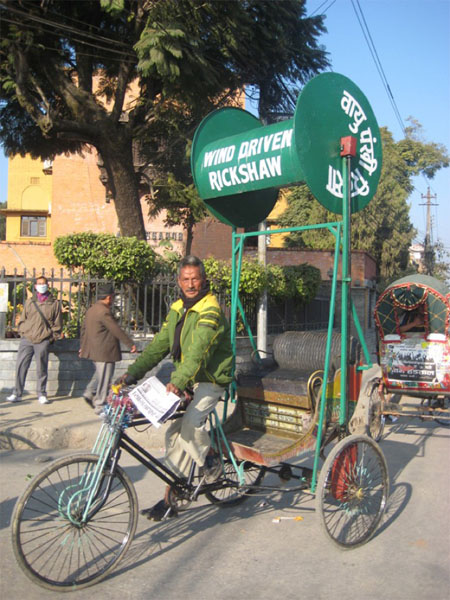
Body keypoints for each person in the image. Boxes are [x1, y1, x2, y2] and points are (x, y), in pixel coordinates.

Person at [121, 255, 233, 521]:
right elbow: (160, 345)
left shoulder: (210, 310)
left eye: (196, 279)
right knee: (173, 434)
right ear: (179, 281)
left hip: (212, 379)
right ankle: (172, 498)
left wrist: (179, 381)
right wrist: (132, 374)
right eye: (186, 279)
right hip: (190, 378)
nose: (191, 284)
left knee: (190, 425)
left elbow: (198, 352)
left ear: (204, 280)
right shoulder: (178, 308)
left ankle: (212, 460)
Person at [79, 283, 137, 415]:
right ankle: (100, 405)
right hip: (104, 350)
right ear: (108, 297)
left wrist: (82, 346)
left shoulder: (91, 309)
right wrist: (130, 344)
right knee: (105, 378)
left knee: (101, 376)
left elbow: (83, 329)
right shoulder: (103, 312)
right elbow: (115, 329)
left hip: (94, 350)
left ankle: (90, 393)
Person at [6, 276, 62, 404]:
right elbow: (22, 319)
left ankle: (41, 394)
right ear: (35, 286)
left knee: (42, 367)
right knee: (21, 366)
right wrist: (23, 331)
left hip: (43, 339)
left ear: (48, 285)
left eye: (44, 283)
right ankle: (17, 393)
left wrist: (51, 338)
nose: (41, 285)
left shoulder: (54, 303)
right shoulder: (30, 301)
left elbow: (58, 324)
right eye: (39, 284)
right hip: (27, 338)